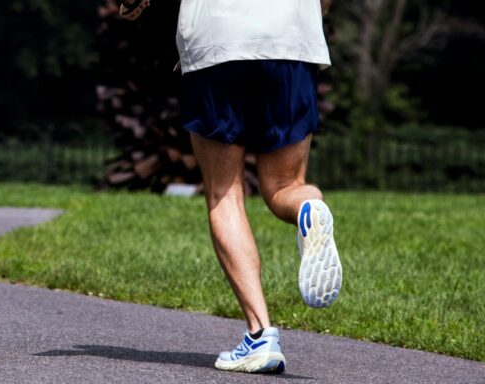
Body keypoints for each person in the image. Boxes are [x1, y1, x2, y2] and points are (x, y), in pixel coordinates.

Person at [121, 0, 342, 374]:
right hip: (292, 40)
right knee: (286, 185)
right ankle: (309, 208)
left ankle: (260, 335)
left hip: (218, 42)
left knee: (224, 192)